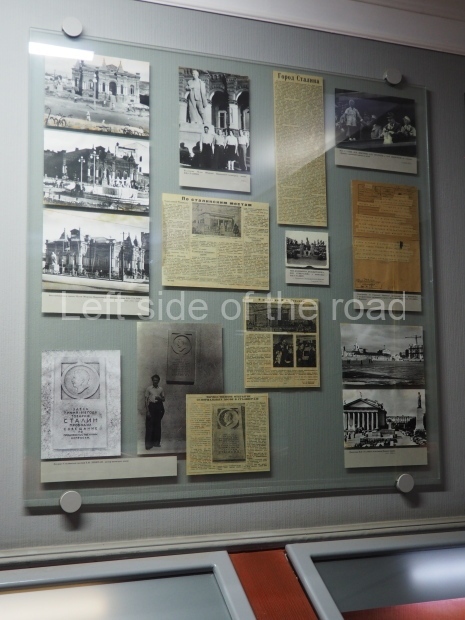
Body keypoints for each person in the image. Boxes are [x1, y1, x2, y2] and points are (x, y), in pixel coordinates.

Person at [144, 374, 165, 449]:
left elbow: (164, 399)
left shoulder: (161, 389)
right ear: (152, 380)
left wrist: (160, 398)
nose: (155, 381)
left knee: (157, 425)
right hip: (151, 407)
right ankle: (148, 444)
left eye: (156, 380)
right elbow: (146, 400)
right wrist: (147, 411)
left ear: (158, 381)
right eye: (154, 380)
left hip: (158, 406)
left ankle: (156, 442)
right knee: (149, 425)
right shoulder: (149, 389)